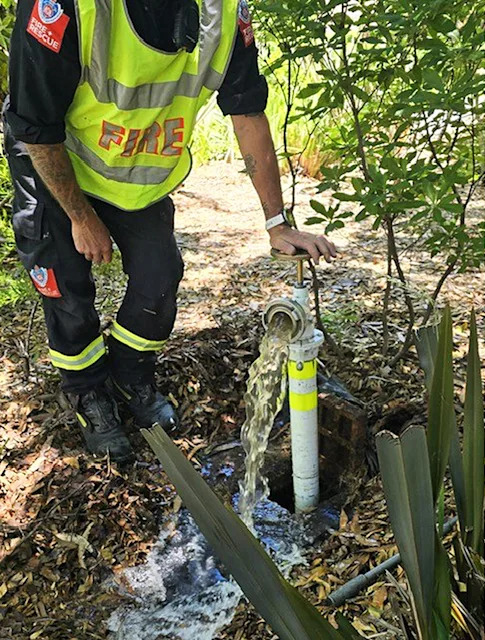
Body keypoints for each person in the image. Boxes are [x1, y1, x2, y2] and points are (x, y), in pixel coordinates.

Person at [3, 0, 337, 461]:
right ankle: (88, 394)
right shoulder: (66, 9)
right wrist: (81, 218)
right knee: (65, 287)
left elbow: (246, 110)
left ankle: (129, 375)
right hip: (57, 161)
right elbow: (36, 126)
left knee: (159, 280)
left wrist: (276, 223)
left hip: (136, 171)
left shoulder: (222, 13)